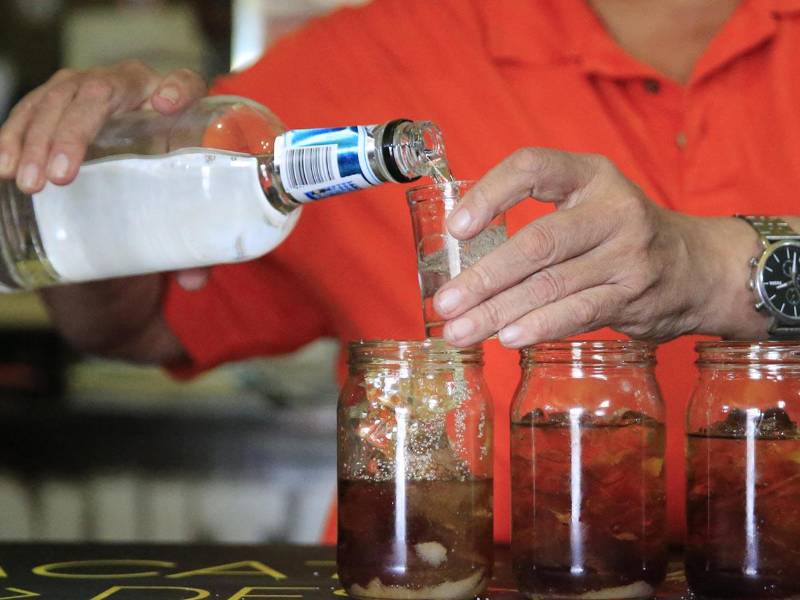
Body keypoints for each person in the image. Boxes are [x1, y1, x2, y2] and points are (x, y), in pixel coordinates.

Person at [0, 0, 797, 543]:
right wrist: (93, 176)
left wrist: (723, 267)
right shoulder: (354, 67)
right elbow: (133, 322)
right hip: (437, 572)